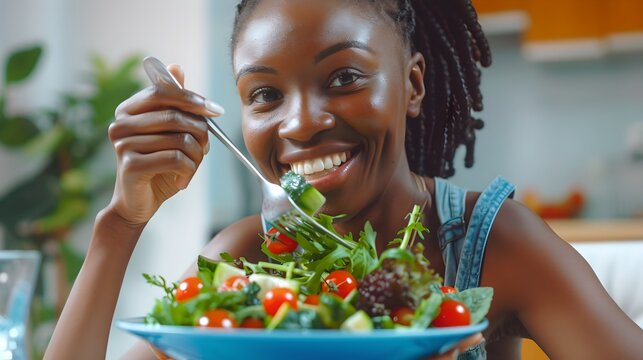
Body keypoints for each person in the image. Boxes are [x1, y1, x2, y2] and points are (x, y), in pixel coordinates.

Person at [45, 0, 643, 359]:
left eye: (344, 78)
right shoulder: (245, 258)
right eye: (265, 94)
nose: (300, 123)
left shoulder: (492, 247)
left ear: (412, 84)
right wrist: (120, 224)